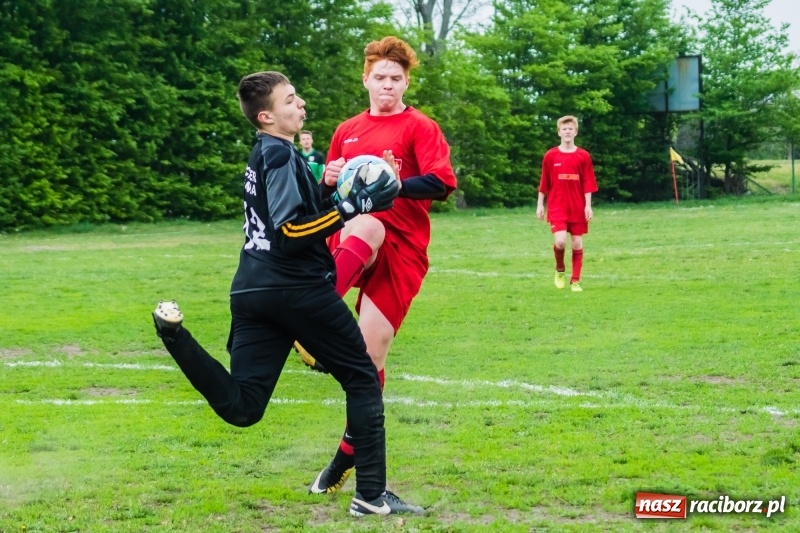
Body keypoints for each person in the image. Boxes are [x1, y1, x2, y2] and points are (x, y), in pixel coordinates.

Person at [151, 70, 423, 516]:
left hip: (252, 290)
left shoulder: (270, 152)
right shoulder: (279, 155)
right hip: (295, 289)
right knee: (362, 377)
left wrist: (343, 191)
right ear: (266, 116)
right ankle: (370, 497)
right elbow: (291, 231)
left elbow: (300, 212)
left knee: (244, 407)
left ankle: (173, 334)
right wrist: (350, 207)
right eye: (291, 99)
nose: (301, 105)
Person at [303, 36, 457, 495]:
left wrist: (393, 182)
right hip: (353, 235)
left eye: (396, 78)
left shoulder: (420, 127)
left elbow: (442, 183)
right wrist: (327, 180)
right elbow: (327, 198)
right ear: (366, 80)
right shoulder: (347, 130)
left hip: (404, 246)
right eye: (380, 77)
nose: (387, 85)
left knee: (369, 363)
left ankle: (343, 460)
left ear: (406, 83)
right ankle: (312, 318)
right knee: (368, 223)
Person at [536, 115, 598, 292]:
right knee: (561, 241)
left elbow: (588, 183)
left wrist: (588, 205)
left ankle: (575, 281)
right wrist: (540, 204)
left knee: (577, 243)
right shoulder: (550, 156)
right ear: (559, 132)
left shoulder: (583, 156)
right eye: (564, 129)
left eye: (571, 128)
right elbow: (544, 182)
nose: (567, 131)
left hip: (577, 206)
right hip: (557, 206)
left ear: (576, 132)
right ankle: (560, 269)